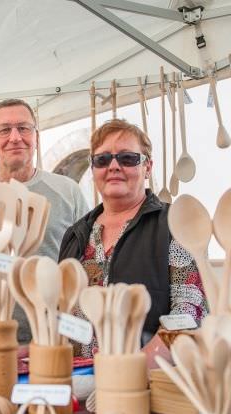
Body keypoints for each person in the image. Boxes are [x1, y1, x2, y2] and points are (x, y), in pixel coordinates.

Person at [59, 118, 207, 358]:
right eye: (102, 159)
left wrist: (136, 368)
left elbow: (189, 311)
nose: (114, 166)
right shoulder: (75, 235)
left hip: (146, 383)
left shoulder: (174, 224)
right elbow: (61, 313)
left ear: (147, 167)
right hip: (79, 381)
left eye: (127, 158)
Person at [0, 98, 89, 342]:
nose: (15, 137)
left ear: (36, 137)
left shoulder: (68, 191)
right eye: (4, 130)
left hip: (52, 338)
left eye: (23, 128)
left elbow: (87, 259)